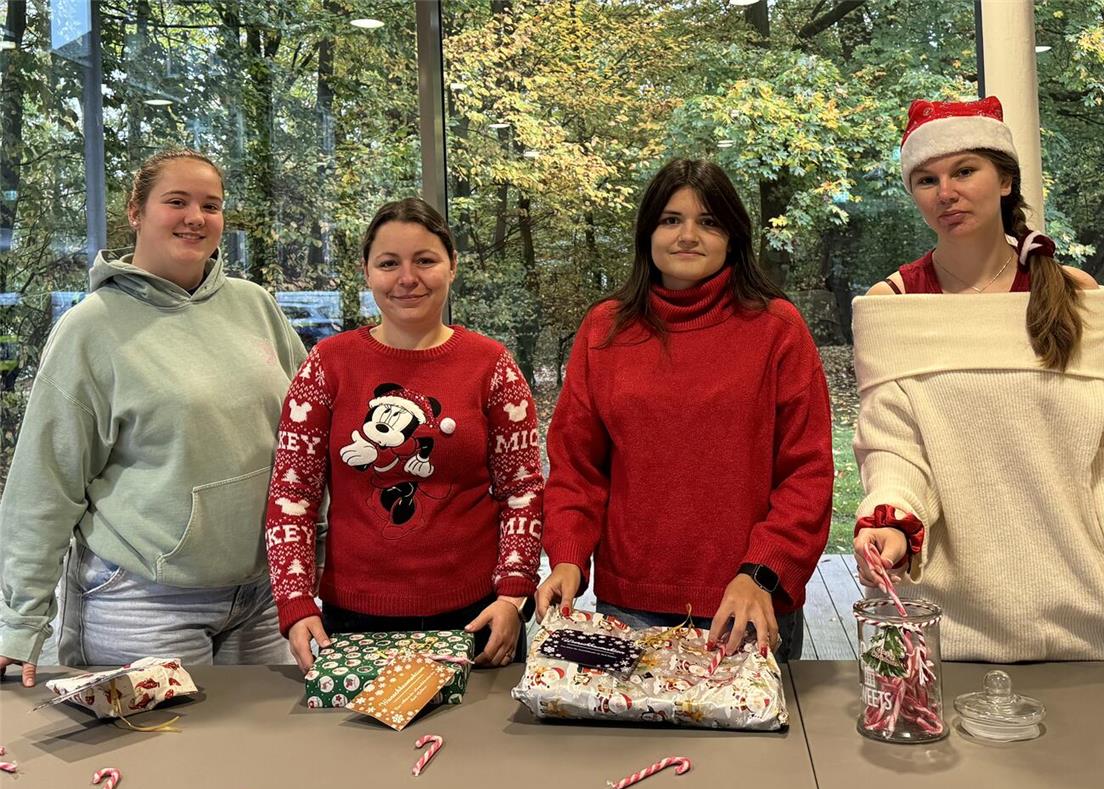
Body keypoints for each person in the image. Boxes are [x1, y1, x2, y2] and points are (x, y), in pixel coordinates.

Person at [852, 96, 1104, 664]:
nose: (946, 192)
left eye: (965, 170)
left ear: (1005, 178)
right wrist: (892, 518)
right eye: (926, 179)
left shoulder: (1074, 293)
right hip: (941, 631)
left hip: (1087, 623)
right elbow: (892, 447)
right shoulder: (894, 303)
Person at [0, 149, 307, 686]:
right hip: (142, 601)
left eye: (211, 205)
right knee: (159, 766)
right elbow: (45, 484)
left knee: (266, 763)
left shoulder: (256, 306)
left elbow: (309, 439)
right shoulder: (90, 329)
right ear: (136, 211)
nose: (196, 217)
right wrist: (19, 623)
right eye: (177, 201)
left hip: (263, 595)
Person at [536, 159, 834, 661]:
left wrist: (761, 571)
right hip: (628, 605)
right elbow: (577, 468)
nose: (687, 235)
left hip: (747, 603)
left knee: (752, 744)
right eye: (671, 220)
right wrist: (566, 557)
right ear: (648, 233)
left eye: (709, 221)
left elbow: (808, 474)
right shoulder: (605, 329)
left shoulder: (777, 329)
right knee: (626, 745)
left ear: (734, 237)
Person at [267, 198, 543, 673]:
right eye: (389, 263)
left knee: (478, 747)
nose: (407, 279)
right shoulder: (326, 366)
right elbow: (292, 493)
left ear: (452, 266)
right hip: (351, 621)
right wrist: (295, 603)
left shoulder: (491, 366)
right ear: (367, 272)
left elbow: (522, 490)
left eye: (425, 260)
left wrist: (514, 594)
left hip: (476, 617)